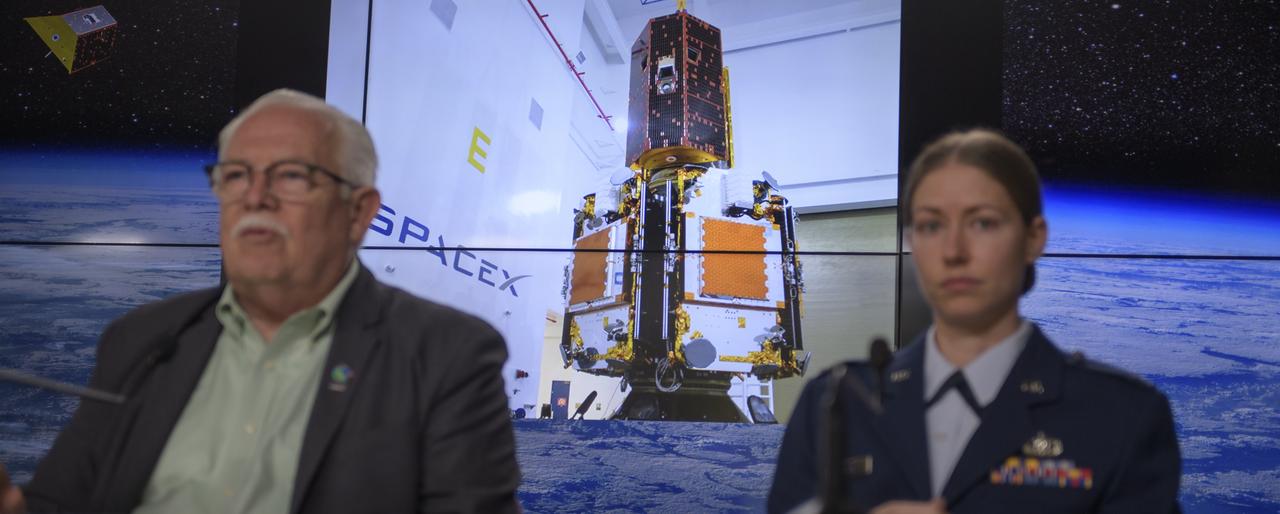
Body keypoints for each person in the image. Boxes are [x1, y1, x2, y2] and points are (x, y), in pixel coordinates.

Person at [0, 89, 520, 513]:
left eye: (291, 176)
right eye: (235, 176)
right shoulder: (140, 338)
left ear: (358, 213)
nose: (254, 198)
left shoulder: (446, 354)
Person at [768, 129, 1181, 514]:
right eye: (931, 225)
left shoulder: (1119, 416)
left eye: (982, 222)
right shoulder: (835, 403)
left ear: (1033, 238)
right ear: (913, 242)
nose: (954, 250)